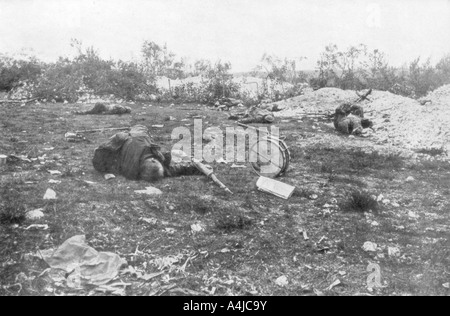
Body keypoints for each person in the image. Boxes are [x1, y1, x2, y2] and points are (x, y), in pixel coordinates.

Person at [92, 125, 203, 182]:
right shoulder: (154, 160)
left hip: (128, 139)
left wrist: (104, 170)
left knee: (135, 131)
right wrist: (197, 168)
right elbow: (177, 169)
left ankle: (132, 129)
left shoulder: (133, 172)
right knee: (140, 129)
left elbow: (99, 156)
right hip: (133, 138)